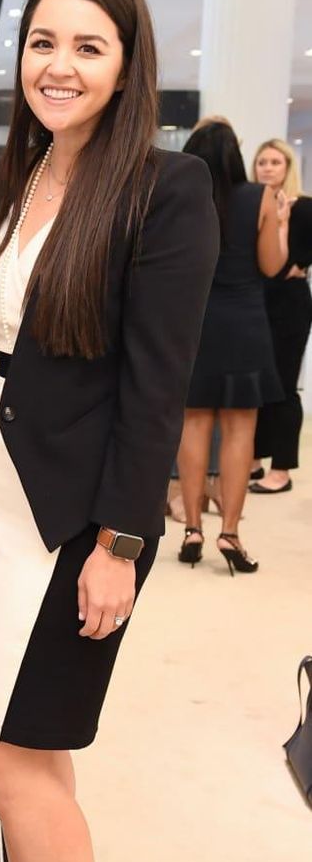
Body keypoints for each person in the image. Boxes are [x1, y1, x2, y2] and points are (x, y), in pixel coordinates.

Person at [0, 0, 218, 862]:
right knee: (32, 749)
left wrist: (121, 543)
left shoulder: (162, 191)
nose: (58, 65)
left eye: (88, 46)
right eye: (42, 42)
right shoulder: (21, 174)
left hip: (73, 515)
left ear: (124, 66)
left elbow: (156, 386)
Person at [176, 122, 288, 573]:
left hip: (193, 323)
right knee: (240, 431)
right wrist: (277, 220)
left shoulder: (182, 197)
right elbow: (272, 266)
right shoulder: (257, 196)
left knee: (193, 424)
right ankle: (230, 532)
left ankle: (192, 529)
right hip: (245, 323)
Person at [250, 138, 312, 494]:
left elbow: (288, 263)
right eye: (262, 162)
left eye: (275, 162)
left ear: (288, 167)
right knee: (255, 383)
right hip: (257, 302)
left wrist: (285, 228)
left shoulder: (304, 208)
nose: (268, 168)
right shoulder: (252, 204)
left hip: (289, 306)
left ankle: (282, 469)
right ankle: (255, 462)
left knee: (284, 385)